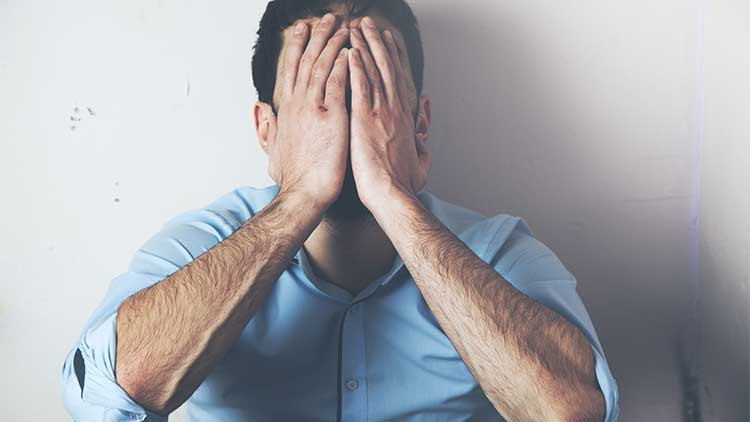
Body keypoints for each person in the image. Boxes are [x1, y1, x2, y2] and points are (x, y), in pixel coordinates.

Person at [60, 1, 620, 421]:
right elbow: (106, 399)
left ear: (418, 125)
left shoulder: (499, 253)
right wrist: (301, 196)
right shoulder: (201, 246)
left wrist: (393, 198)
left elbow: (575, 412)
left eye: (369, 98)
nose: (345, 127)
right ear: (267, 128)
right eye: (319, 102)